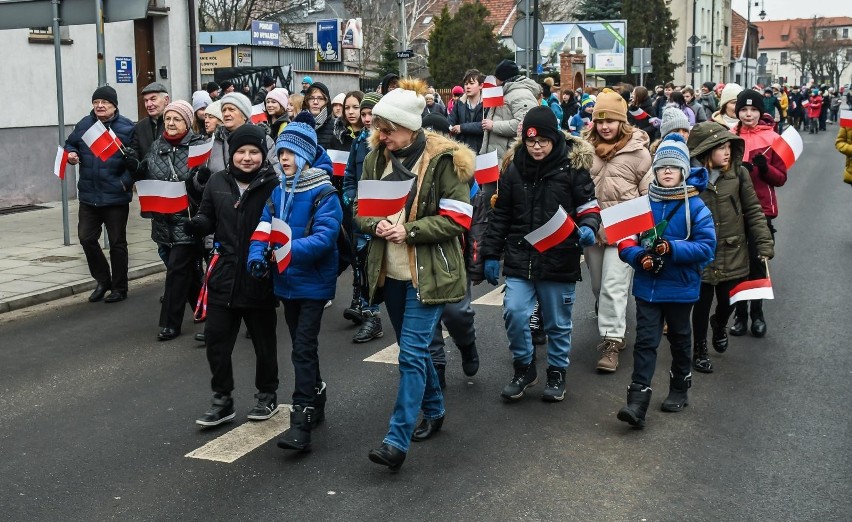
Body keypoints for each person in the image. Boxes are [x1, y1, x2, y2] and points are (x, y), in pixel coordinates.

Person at [354, 78, 473, 471]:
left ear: (410, 127)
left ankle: (396, 439)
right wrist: (377, 226)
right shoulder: (375, 158)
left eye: (388, 130)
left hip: (430, 272)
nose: (380, 135)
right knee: (414, 351)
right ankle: (435, 408)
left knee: (411, 355)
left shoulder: (443, 161)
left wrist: (410, 230)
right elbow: (360, 211)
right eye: (378, 128)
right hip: (389, 271)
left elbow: (458, 217)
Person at [482, 106, 601, 401]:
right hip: (521, 256)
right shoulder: (513, 168)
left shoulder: (572, 168)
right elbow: (502, 215)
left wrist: (588, 226)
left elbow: (589, 206)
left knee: (558, 323)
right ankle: (524, 367)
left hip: (559, 255)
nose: (536, 147)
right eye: (531, 141)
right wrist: (489, 253)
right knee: (515, 312)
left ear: (553, 139)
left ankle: (557, 372)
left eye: (543, 141)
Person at [247, 116, 342, 452]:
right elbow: (262, 227)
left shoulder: (324, 192)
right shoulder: (278, 190)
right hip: (285, 283)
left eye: (288, 153)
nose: (282, 158)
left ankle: (300, 420)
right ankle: (316, 392)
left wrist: (286, 250)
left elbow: (324, 238)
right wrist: (257, 256)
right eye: (281, 153)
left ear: (303, 155)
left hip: (313, 284)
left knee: (302, 348)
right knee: (304, 349)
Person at [616, 134, 716, 427]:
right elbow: (625, 240)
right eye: (662, 168)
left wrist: (671, 248)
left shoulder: (696, 207)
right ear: (655, 171)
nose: (667, 172)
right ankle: (637, 401)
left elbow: (706, 248)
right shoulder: (642, 203)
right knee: (645, 341)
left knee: (680, 338)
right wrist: (639, 258)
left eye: (673, 167)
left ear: (684, 170)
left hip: (681, 286)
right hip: (648, 285)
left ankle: (679, 387)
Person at [187, 125, 280, 427]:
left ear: (263, 155)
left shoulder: (273, 185)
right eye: (241, 151)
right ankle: (222, 399)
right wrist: (196, 225)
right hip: (224, 274)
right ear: (232, 154)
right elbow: (206, 216)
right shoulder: (217, 182)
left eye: (254, 152)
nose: (247, 157)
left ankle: (267, 394)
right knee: (216, 341)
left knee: (263, 343)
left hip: (258, 275)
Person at [686, 122, 774, 373]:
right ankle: (700, 348)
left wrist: (763, 242)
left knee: (728, 301)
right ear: (705, 150)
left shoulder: (739, 173)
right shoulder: (690, 177)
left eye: (728, 147)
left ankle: (720, 323)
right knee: (701, 304)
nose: (727, 152)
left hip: (732, 248)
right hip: (701, 251)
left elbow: (753, 210)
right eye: (721, 148)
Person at [582, 88, 653, 372]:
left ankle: (612, 342)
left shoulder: (638, 152)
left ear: (621, 122)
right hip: (593, 228)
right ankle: (611, 318)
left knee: (613, 286)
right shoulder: (584, 150)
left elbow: (648, 193)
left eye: (610, 120)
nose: (605, 126)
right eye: (600, 121)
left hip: (625, 229)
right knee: (599, 286)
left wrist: (647, 231)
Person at [130, 100, 209, 341]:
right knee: (189, 271)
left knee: (176, 270)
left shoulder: (199, 146)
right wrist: (134, 167)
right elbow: (146, 172)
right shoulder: (157, 146)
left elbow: (202, 187)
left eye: (177, 119)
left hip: (188, 220)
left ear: (187, 122)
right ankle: (201, 307)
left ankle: (170, 323)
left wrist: (199, 180)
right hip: (163, 221)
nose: (171, 123)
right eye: (168, 119)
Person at [64, 85, 136, 304]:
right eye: (96, 103)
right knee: (86, 238)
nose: (100, 106)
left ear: (114, 105)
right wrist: (71, 155)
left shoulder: (126, 128)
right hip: (89, 195)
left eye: (104, 102)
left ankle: (120, 287)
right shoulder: (85, 125)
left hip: (115, 196)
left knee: (117, 243)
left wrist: (124, 183)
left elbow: (136, 162)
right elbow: (69, 144)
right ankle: (103, 280)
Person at [730, 89, 787, 338]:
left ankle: (758, 314)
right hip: (733, 208)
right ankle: (740, 315)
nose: (749, 114)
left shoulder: (772, 138)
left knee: (757, 262)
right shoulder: (729, 137)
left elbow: (781, 178)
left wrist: (765, 169)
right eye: (744, 109)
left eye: (753, 110)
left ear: (760, 112)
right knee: (737, 264)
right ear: (738, 112)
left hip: (761, 209)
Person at [342, 92, 385, 344]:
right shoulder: (358, 142)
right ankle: (366, 308)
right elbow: (349, 175)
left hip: (383, 216)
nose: (367, 119)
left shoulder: (387, 143)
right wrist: (350, 197)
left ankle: (373, 312)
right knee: (360, 264)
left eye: (372, 114)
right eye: (364, 114)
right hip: (361, 215)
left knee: (376, 267)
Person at [480, 60, 540, 162]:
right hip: (500, 157)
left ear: (503, 79)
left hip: (510, 158)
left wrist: (493, 126)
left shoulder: (521, 95)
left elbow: (523, 125)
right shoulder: (506, 92)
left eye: (497, 78)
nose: (495, 82)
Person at [208, 92, 276, 172]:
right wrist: (200, 180)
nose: (226, 114)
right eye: (224, 110)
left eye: (231, 109)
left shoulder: (263, 139)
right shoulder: (212, 142)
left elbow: (275, 174)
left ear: (244, 115)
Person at [448, 69, 485, 153]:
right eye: (466, 84)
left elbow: (485, 126)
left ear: (481, 85)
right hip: (461, 151)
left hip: (481, 151)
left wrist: (462, 128)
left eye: (471, 83)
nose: (468, 86)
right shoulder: (459, 103)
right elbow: (450, 121)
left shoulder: (487, 104)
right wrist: (449, 127)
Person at [133, 82, 170, 161]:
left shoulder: (175, 124)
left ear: (166, 100)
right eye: (146, 100)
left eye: (153, 99)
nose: (149, 104)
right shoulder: (140, 127)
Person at [303, 82, 336, 150]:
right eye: (311, 98)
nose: (315, 102)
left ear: (326, 101)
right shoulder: (297, 124)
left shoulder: (336, 127)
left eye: (320, 98)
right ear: (306, 101)